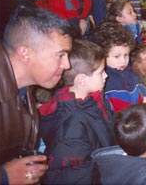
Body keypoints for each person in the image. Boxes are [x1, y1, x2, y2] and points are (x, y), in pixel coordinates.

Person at [0, 6, 72, 185]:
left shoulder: (25, 87)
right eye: (61, 55)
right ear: (25, 53)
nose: (67, 65)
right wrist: (2, 177)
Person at [38, 39, 116, 184]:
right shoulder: (73, 126)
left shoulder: (92, 99)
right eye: (101, 72)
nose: (106, 76)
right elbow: (74, 175)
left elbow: (105, 123)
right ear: (81, 80)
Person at [93, 22, 146, 112]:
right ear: (103, 55)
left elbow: (144, 91)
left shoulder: (133, 73)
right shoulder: (103, 81)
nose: (123, 61)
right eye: (117, 56)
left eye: (126, 55)